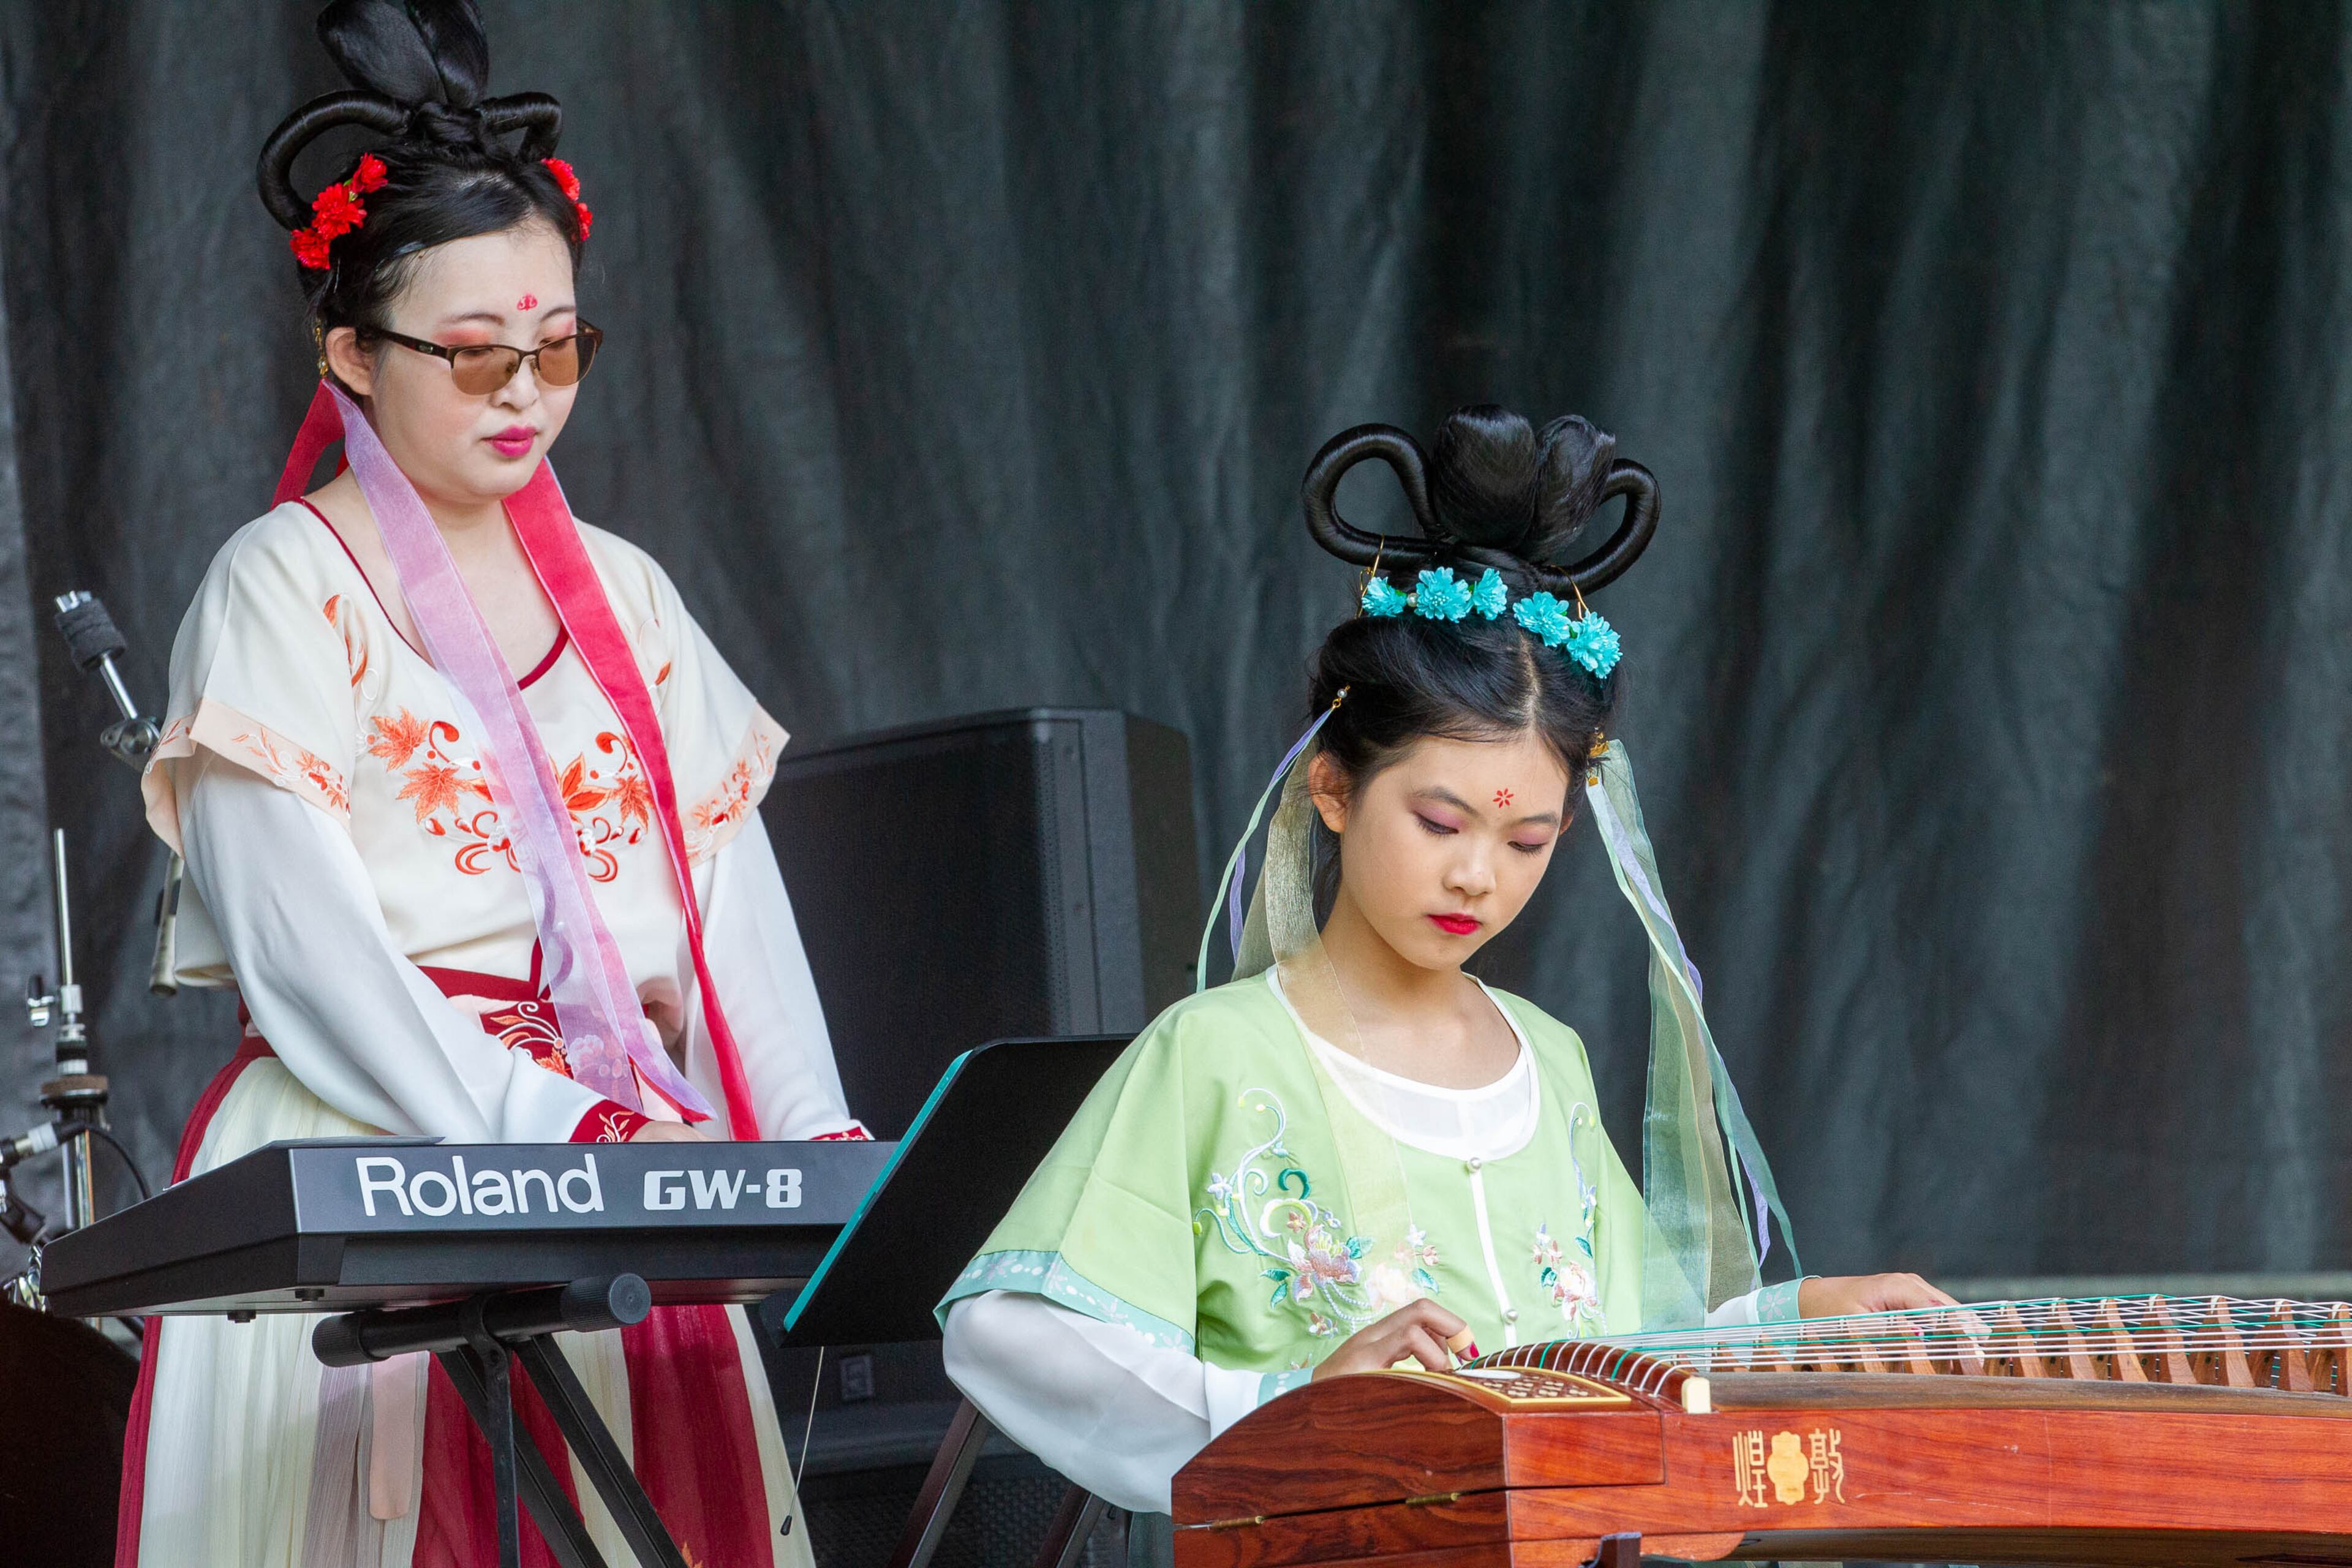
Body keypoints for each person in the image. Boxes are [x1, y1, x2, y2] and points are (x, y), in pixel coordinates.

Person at [114, 4, 858, 1565]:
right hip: (384, 1143)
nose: (526, 392)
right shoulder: (282, 588)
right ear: (348, 355)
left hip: (628, 1158)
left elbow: (727, 896)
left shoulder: (627, 594)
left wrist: (804, 1144)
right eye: (473, 356)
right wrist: (565, 1129)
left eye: (560, 347)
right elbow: (312, 956)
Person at [937, 407, 1956, 1518]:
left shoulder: (1546, 1059)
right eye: (1438, 821)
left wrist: (1803, 1314)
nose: (1479, 876)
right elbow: (1010, 1330)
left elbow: (1619, 1352)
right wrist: (1292, 1405)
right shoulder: (1220, 1055)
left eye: (1526, 842)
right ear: (1333, 788)